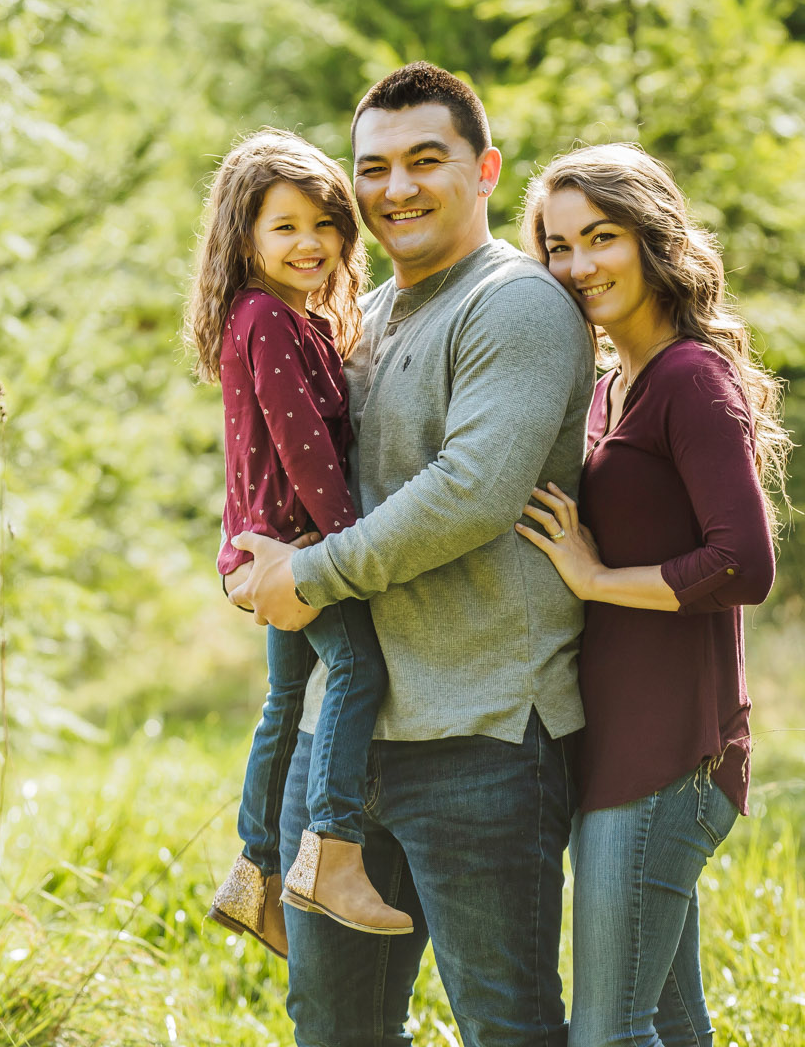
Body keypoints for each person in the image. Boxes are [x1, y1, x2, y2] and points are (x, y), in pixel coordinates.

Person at [232, 63, 596, 1047]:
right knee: (334, 1026)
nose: (396, 189)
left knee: (506, 1026)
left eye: (425, 162)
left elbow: (469, 495)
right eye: (375, 168)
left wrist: (304, 576)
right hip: (341, 744)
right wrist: (253, 549)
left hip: (479, 736)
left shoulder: (517, 308)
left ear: (485, 171)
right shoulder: (364, 314)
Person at [514, 144, 788, 1047]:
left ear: (653, 239)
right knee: (670, 1024)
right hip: (618, 753)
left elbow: (744, 562)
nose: (578, 265)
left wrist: (594, 578)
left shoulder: (688, 380)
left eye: (602, 237)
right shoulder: (607, 390)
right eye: (557, 247)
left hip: (668, 758)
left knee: (609, 1032)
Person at [184, 129, 414, 959]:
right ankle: (332, 852)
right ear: (244, 236)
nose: (311, 243)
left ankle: (255, 874)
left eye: (325, 224)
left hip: (263, 544)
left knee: (286, 703)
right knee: (357, 666)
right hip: (295, 547)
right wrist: (348, 558)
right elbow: (303, 450)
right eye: (286, 227)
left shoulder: (275, 317)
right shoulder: (269, 321)